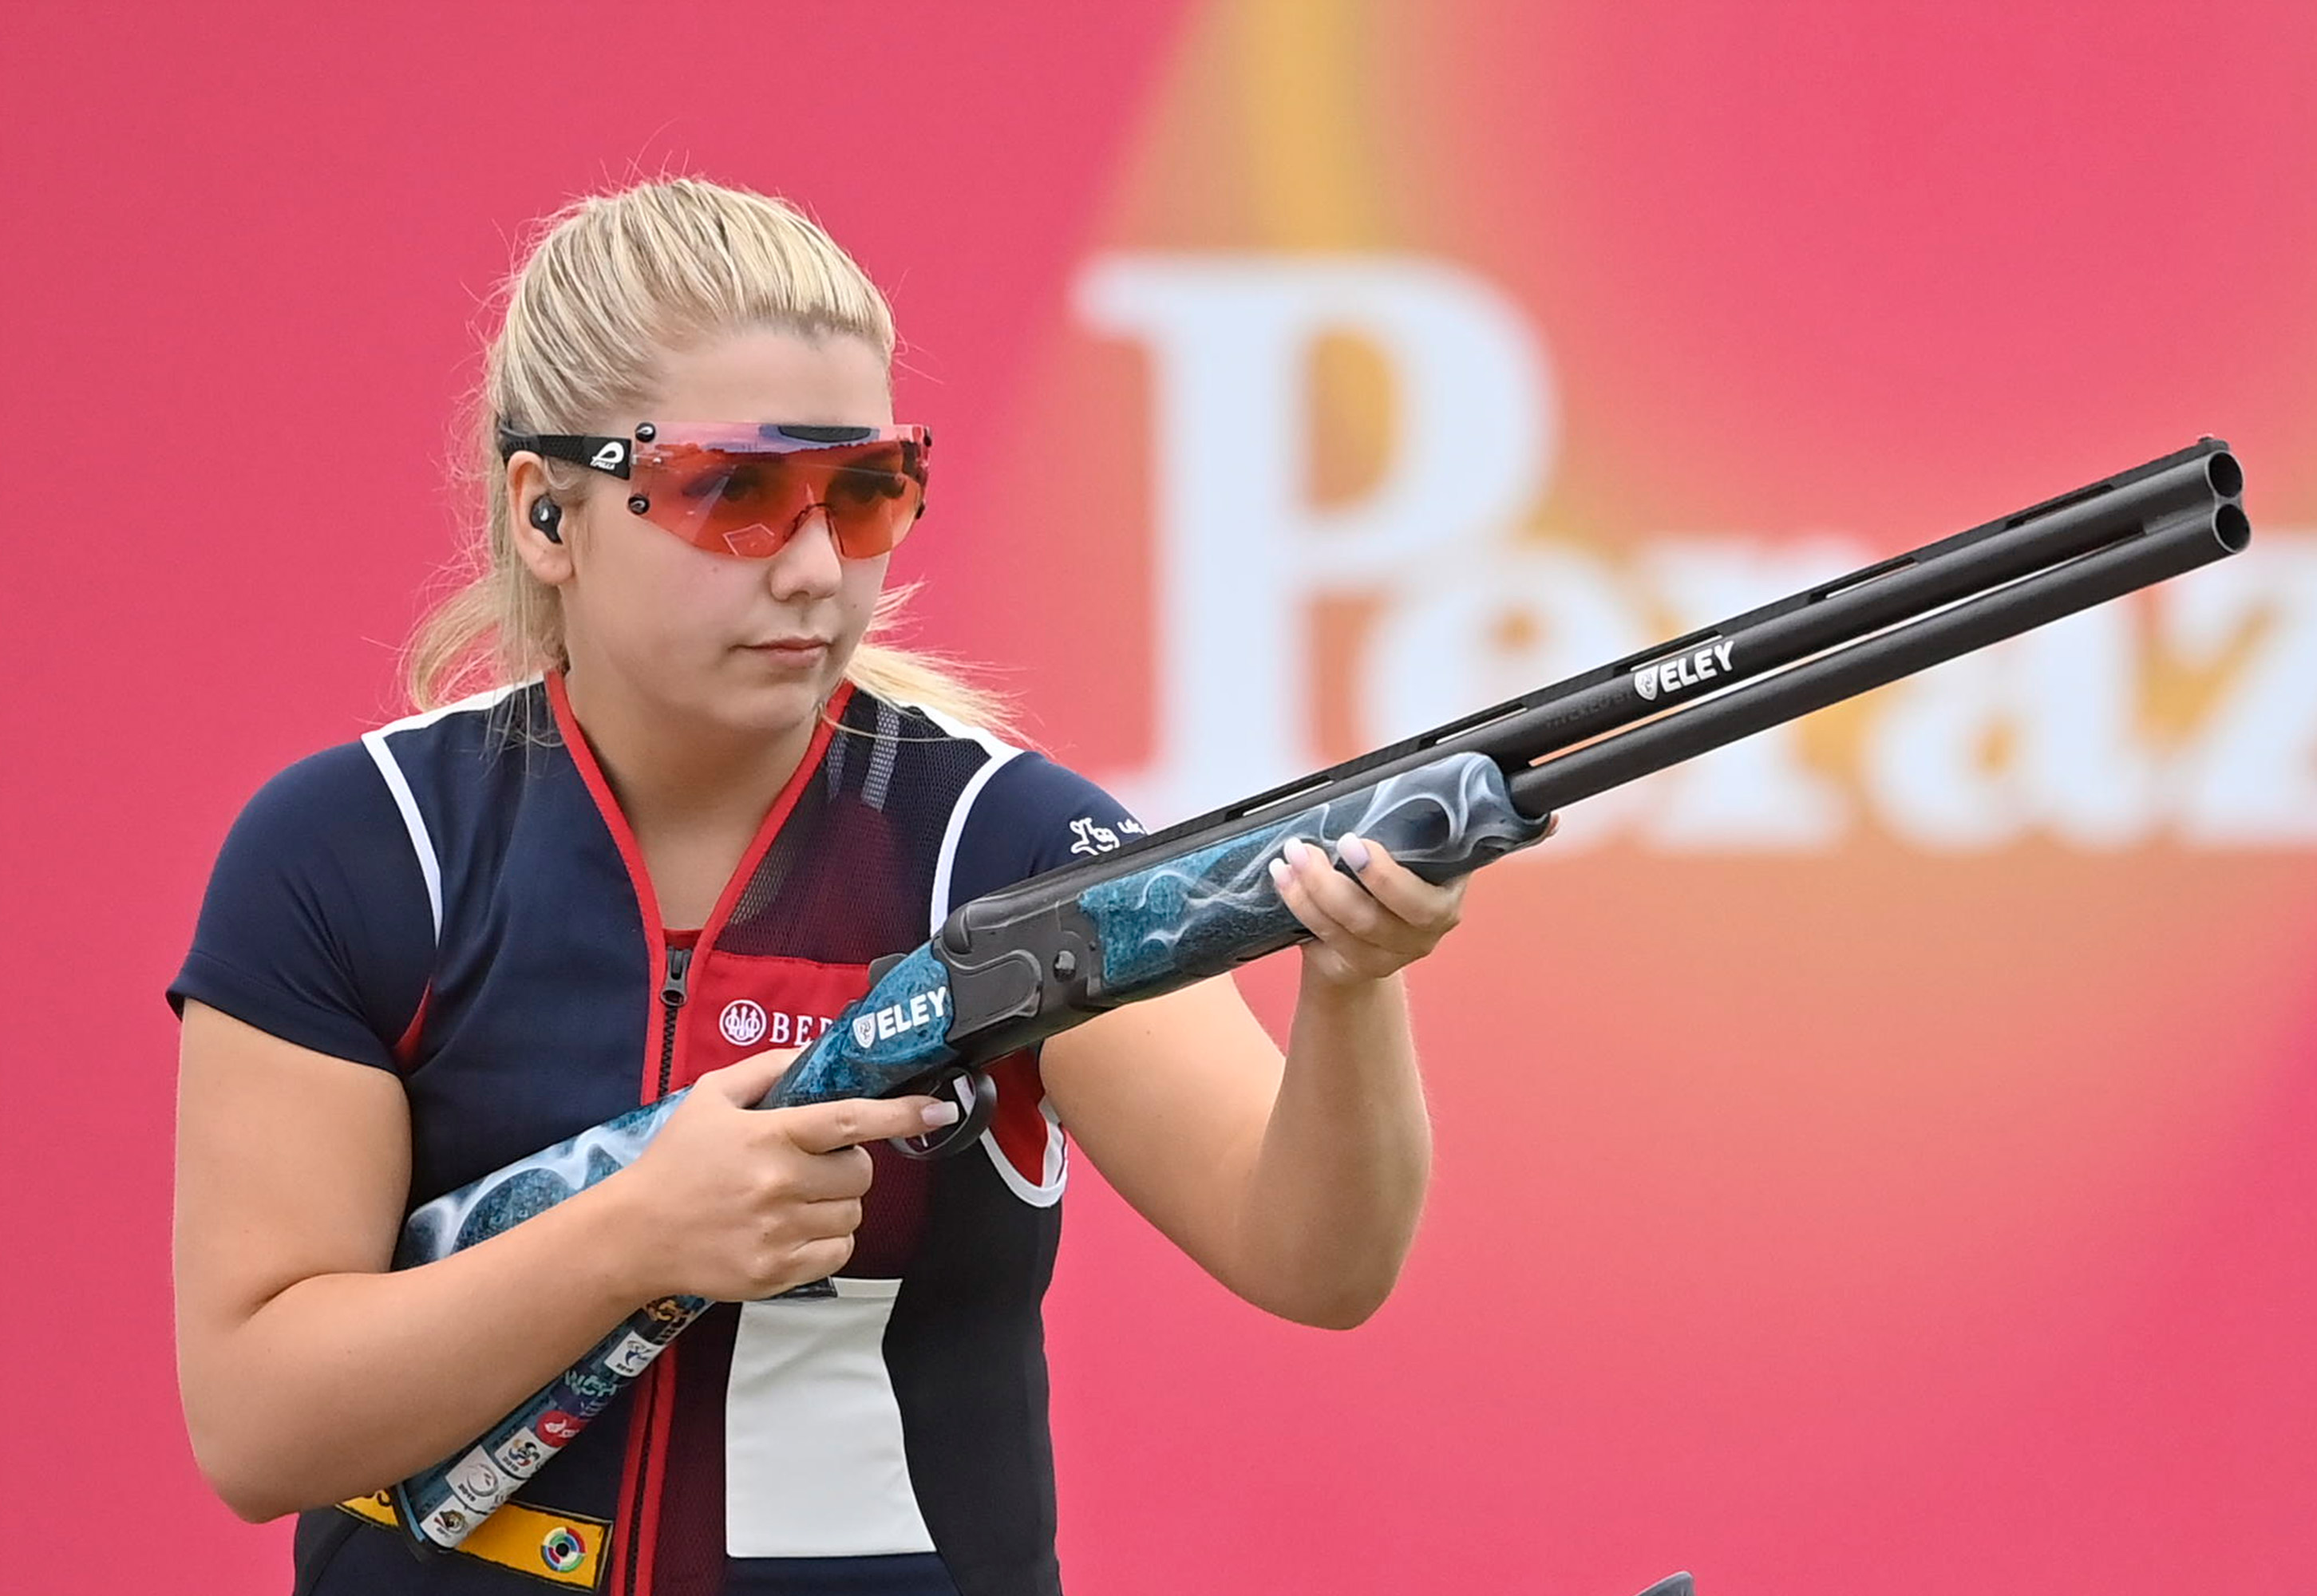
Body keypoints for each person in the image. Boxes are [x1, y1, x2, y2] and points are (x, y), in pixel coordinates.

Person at [167, 176, 1485, 1596]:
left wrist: (1351, 988)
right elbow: (256, 1422)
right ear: (548, 514)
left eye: (863, 496)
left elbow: (1315, 1262)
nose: (811, 571)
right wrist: (634, 1237)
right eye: (735, 494)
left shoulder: (1006, 844)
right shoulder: (354, 848)